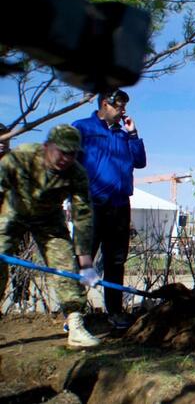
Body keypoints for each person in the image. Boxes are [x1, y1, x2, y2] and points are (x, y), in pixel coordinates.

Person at [0, 125, 101, 347]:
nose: (66, 158)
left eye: (72, 153)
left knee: (66, 266)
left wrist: (85, 262)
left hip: (49, 219)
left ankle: (75, 324)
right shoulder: (21, 157)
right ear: (47, 146)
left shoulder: (77, 173)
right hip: (14, 212)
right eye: (62, 151)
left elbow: (82, 215)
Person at [72, 89, 146, 329]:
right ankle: (73, 315)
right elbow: (69, 162)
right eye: (119, 106)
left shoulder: (123, 135)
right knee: (83, 259)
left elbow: (140, 162)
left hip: (120, 205)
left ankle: (115, 312)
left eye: (124, 106)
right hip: (92, 205)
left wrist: (133, 134)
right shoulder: (82, 128)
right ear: (105, 104)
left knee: (116, 261)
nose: (123, 110)